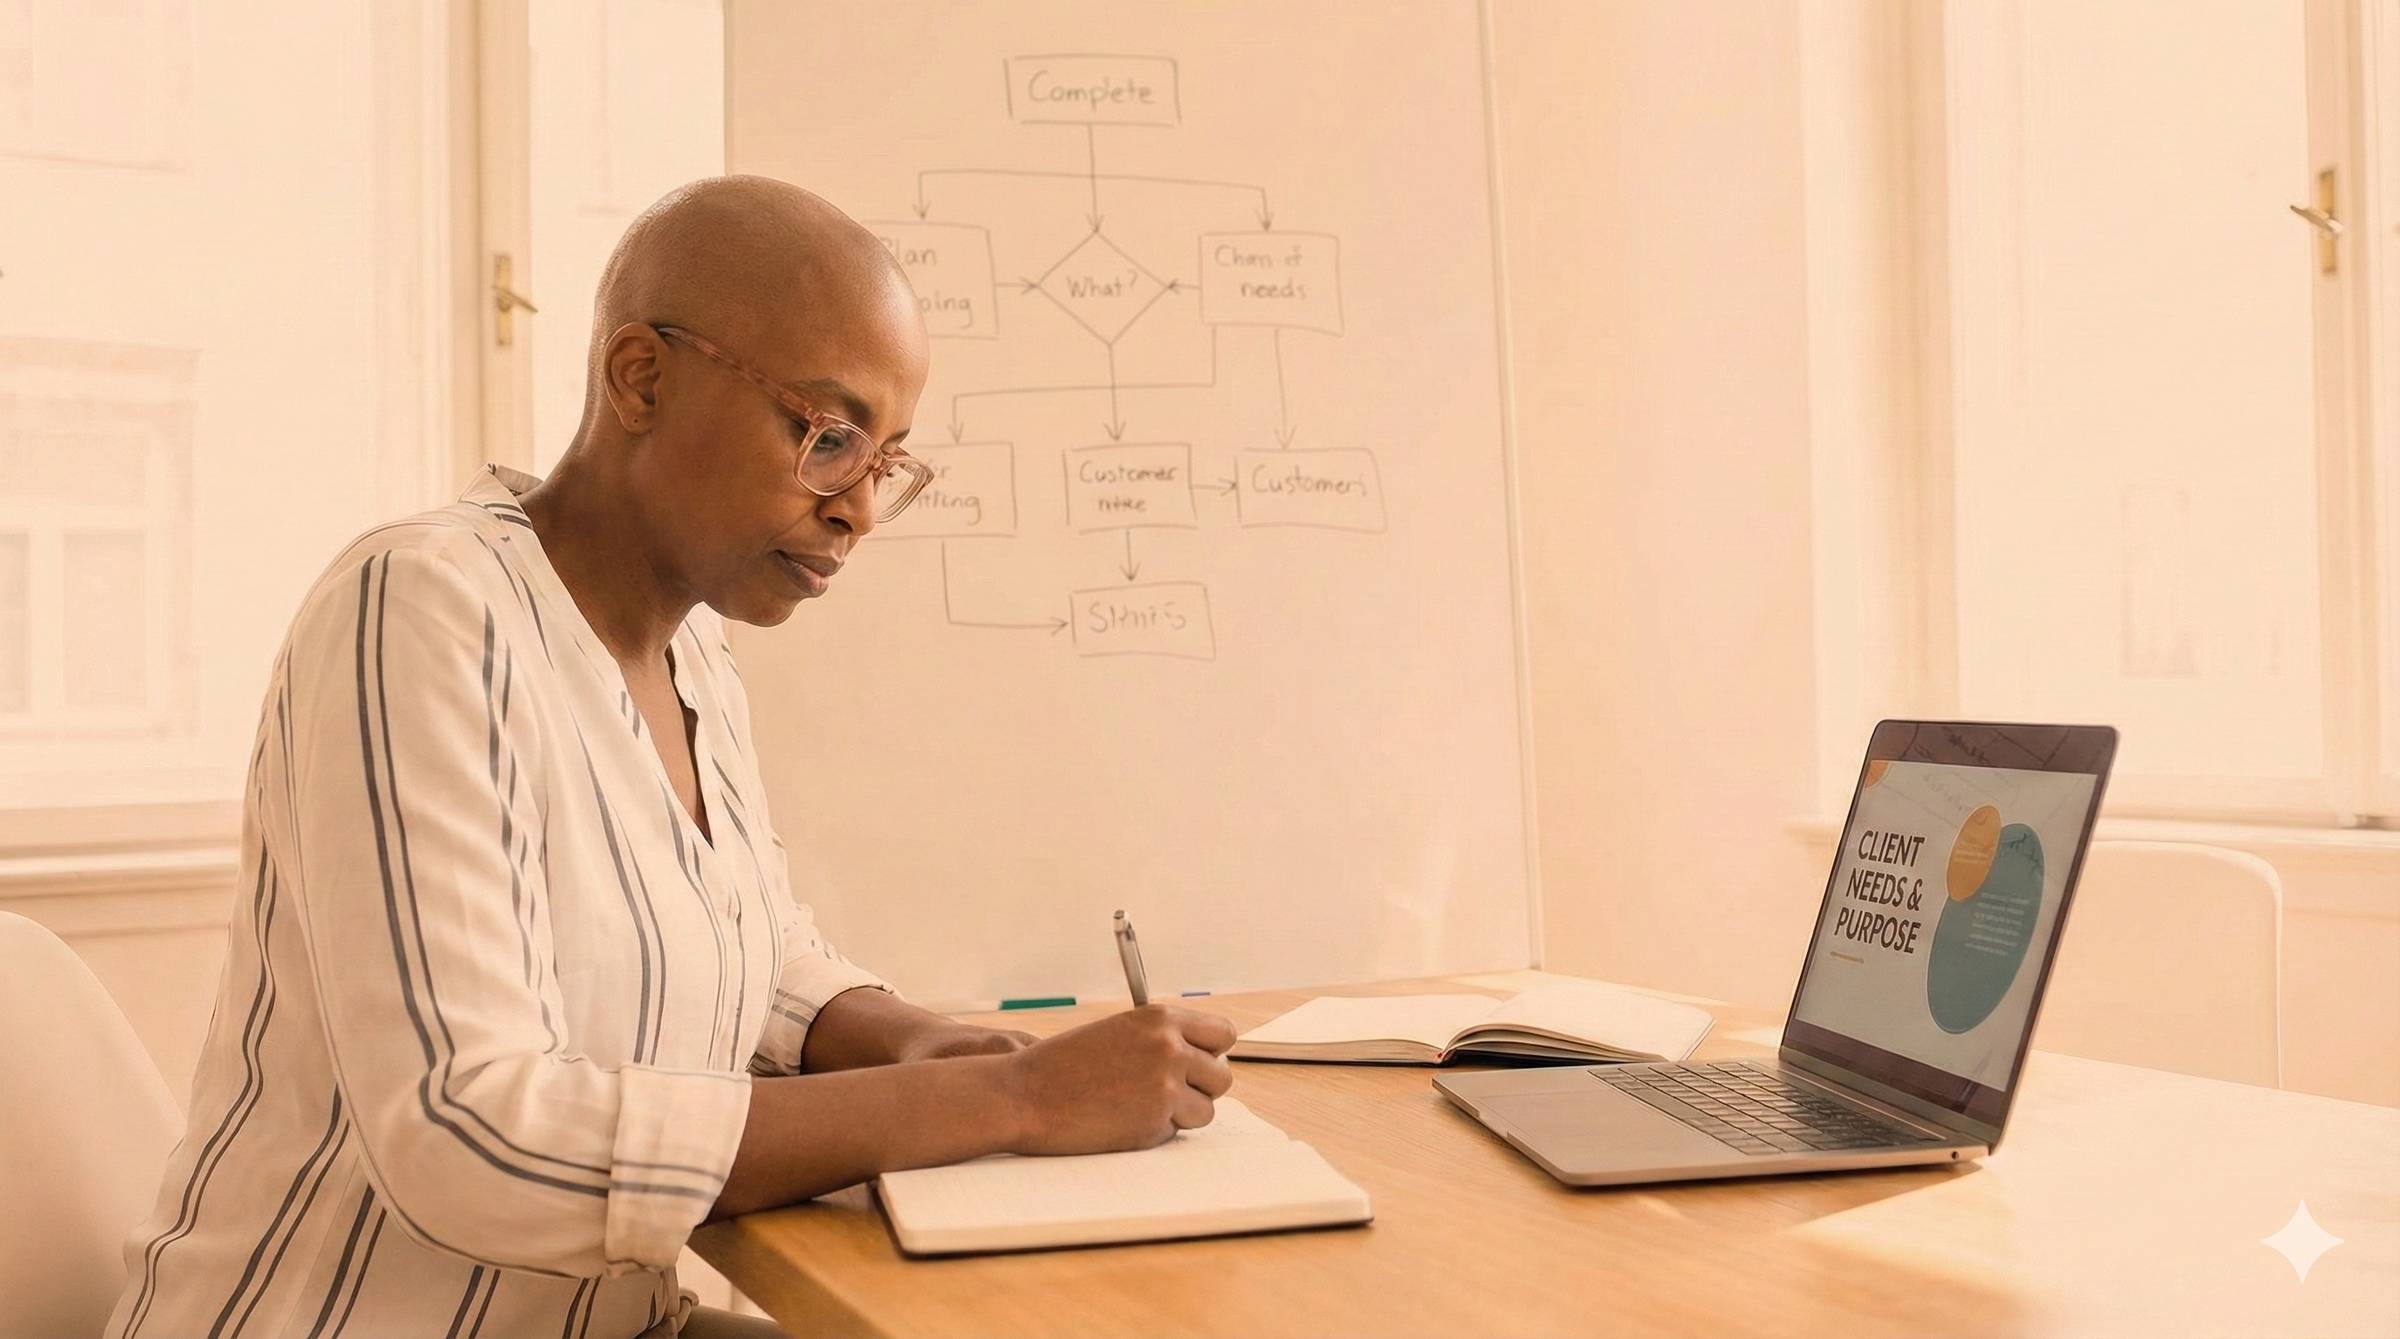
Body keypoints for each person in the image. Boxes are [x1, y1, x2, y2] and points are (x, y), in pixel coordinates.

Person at [103, 175, 1237, 1339]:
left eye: (884, 461)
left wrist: (908, 1034)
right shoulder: (419, 608)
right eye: (827, 436)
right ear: (640, 376)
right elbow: (470, 1135)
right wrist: (1005, 1098)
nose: (859, 511)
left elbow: (742, 941)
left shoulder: (694, 655)